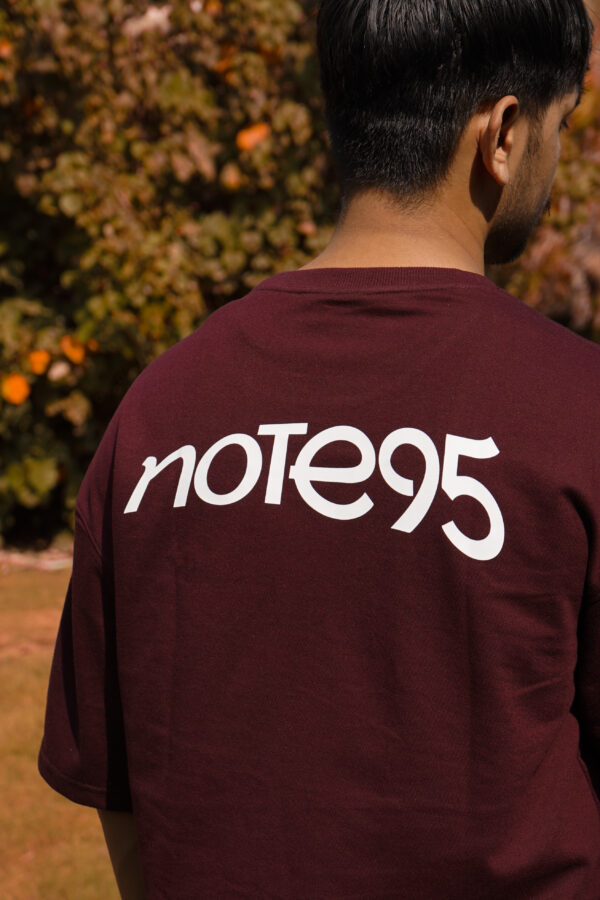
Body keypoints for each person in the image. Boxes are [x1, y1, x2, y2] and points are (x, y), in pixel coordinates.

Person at [37, 1, 599, 897]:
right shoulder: (577, 408)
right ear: (501, 135)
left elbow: (123, 797)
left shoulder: (159, 411)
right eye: (559, 126)